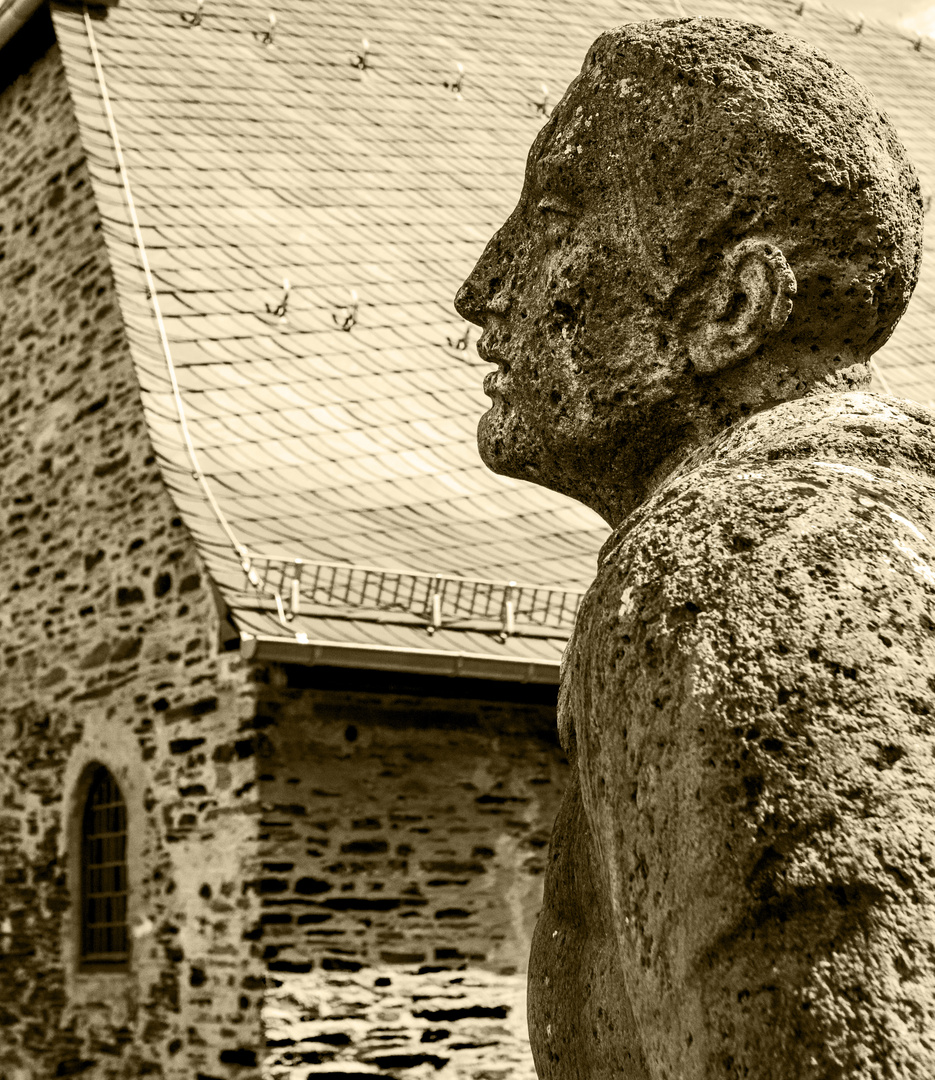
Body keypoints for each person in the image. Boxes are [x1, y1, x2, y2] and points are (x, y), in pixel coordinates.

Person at [456, 17, 935, 1078]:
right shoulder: (858, 531)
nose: (483, 288)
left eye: (548, 221)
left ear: (729, 307)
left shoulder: (730, 567)